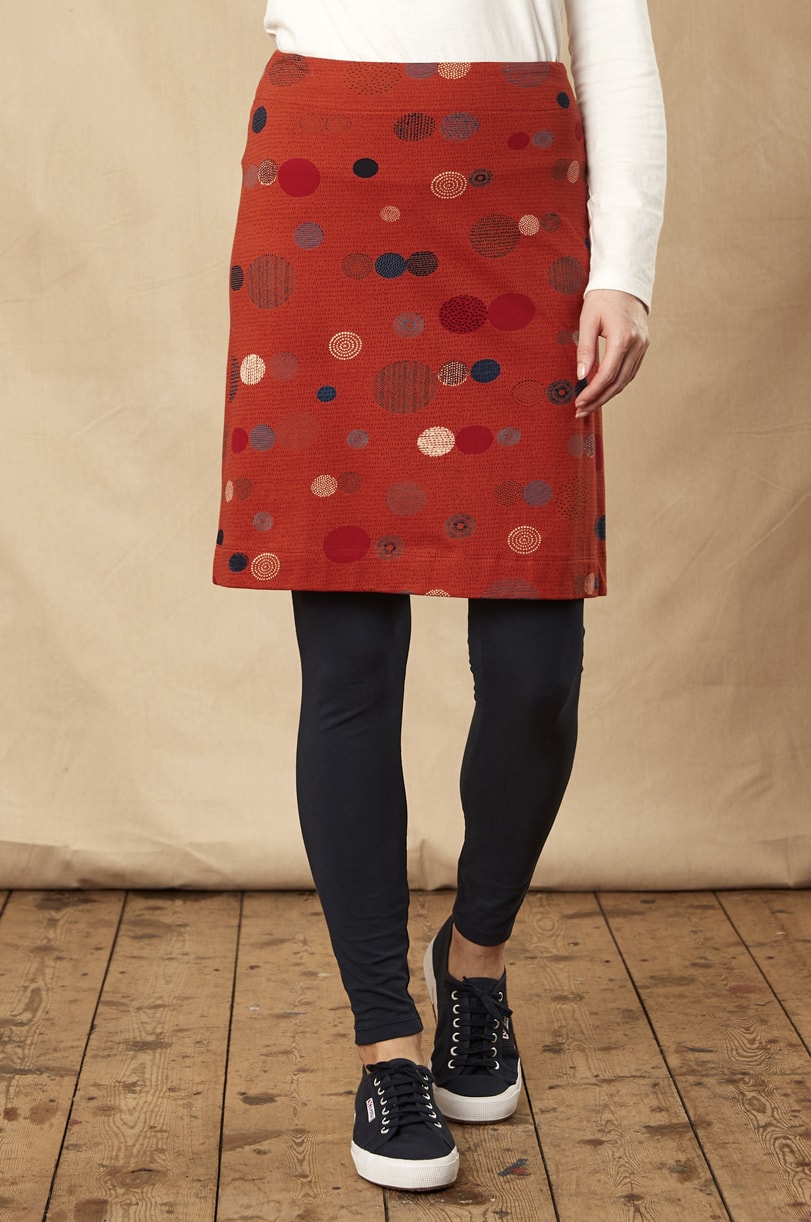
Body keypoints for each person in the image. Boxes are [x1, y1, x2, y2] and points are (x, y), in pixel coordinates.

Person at [213, 0, 666, 1193]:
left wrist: (623, 267)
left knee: (534, 680)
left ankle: (475, 958)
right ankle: (388, 1047)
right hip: (324, 183)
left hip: (518, 192)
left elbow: (614, 46)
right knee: (350, 667)